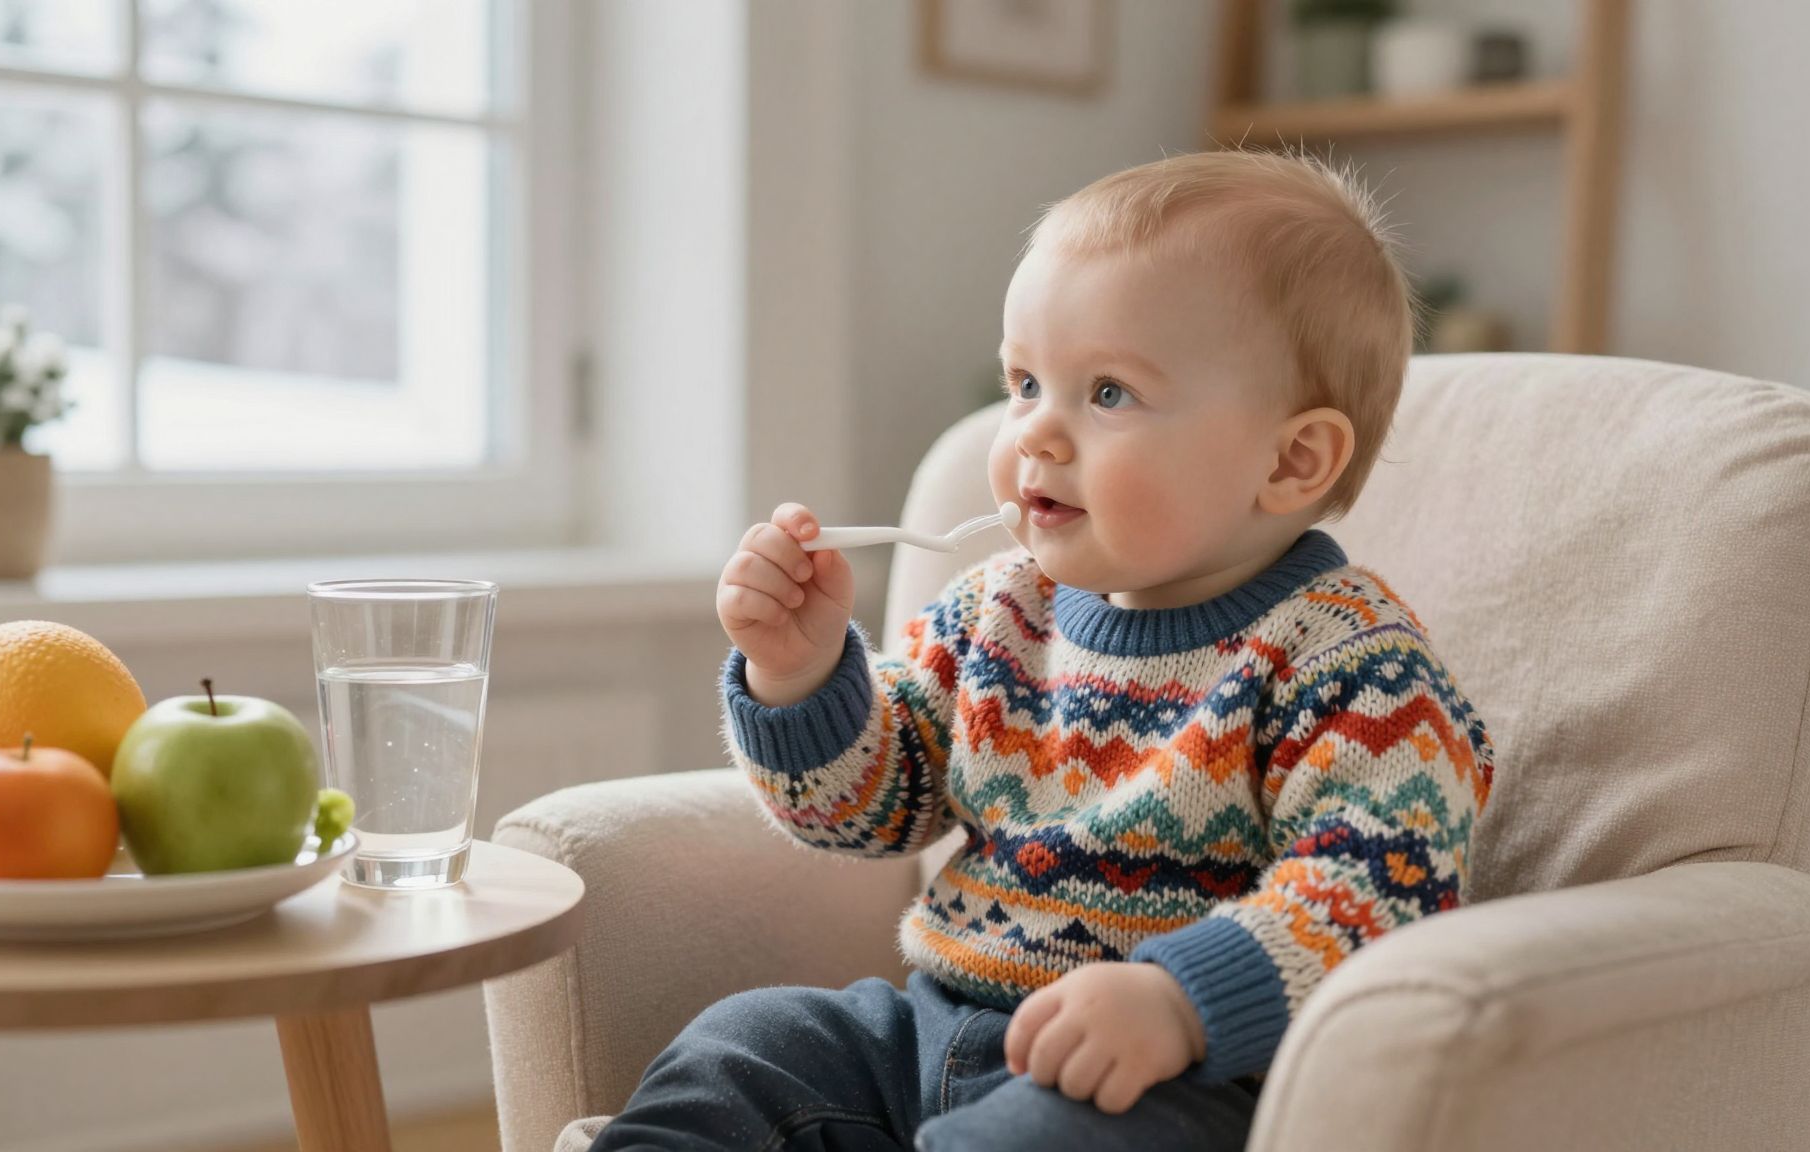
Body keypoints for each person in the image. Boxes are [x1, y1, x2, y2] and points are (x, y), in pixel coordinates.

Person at [590, 148, 1498, 1152]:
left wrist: (1180, 1002)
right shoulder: (1000, 610)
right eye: (1023, 383)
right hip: (933, 1029)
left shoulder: (1353, 666)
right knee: (744, 1045)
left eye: (1107, 393)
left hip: (1166, 1087)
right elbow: (871, 808)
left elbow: (1383, 889)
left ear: (1291, 460)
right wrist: (800, 674)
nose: (1035, 434)